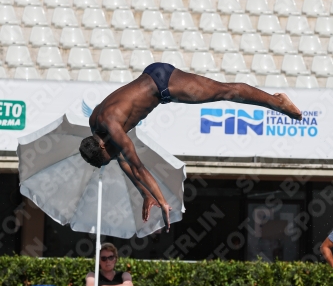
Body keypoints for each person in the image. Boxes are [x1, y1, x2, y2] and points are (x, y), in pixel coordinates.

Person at [79, 62, 302, 232]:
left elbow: (137, 167)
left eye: (110, 155)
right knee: (224, 92)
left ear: (102, 148)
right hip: (153, 77)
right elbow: (123, 163)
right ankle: (276, 102)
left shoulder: (113, 125)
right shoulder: (95, 126)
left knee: (225, 91)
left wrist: (163, 201)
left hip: (164, 83)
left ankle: (277, 102)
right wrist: (146, 194)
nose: (116, 155)